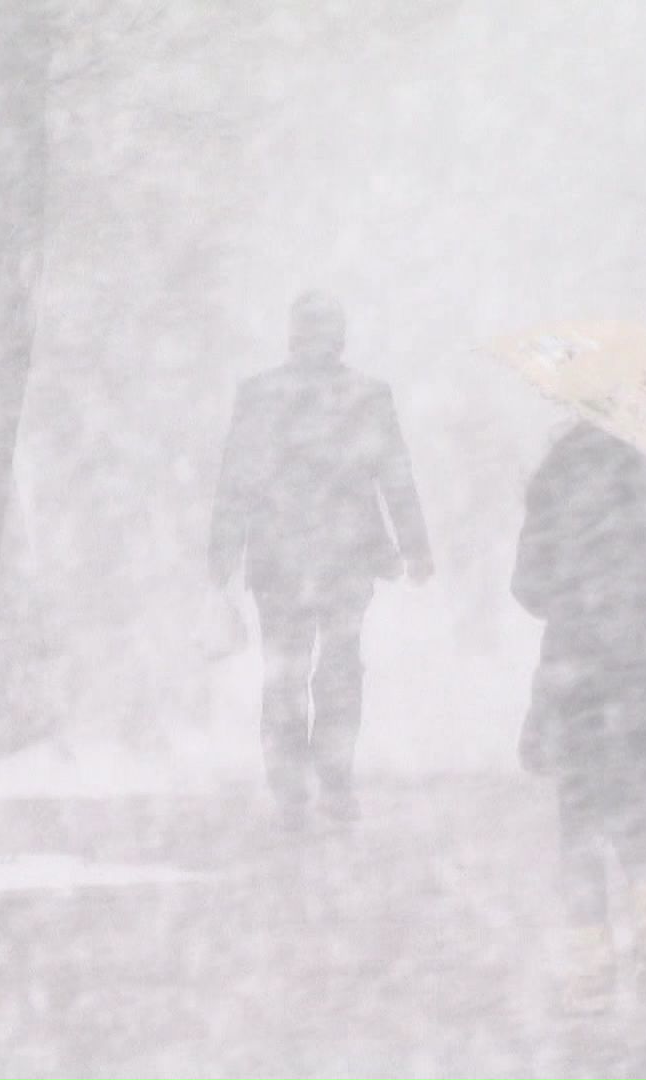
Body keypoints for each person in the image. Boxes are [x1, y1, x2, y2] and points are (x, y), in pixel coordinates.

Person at [513, 419, 646, 1014]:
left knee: (577, 819)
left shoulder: (560, 471)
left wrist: (581, 595)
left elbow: (527, 584)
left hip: (579, 669)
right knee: (639, 807)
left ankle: (591, 962)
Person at [211, 291, 433, 832]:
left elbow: (235, 479)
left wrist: (222, 557)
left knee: (284, 673)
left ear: (293, 334)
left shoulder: (260, 394)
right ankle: (334, 781)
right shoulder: (367, 396)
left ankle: (290, 788)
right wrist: (415, 546)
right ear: (340, 336)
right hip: (346, 558)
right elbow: (394, 474)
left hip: (279, 558)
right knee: (339, 670)